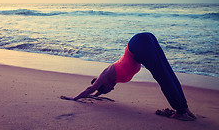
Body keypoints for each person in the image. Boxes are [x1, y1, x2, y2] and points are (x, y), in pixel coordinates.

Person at [61, 32, 196, 121]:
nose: (112, 90)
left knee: (162, 76)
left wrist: (74, 98)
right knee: (166, 72)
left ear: (104, 84)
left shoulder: (105, 75)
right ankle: (184, 108)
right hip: (145, 39)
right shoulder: (111, 80)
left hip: (138, 44)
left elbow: (90, 90)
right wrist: (95, 95)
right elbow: (95, 93)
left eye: (107, 90)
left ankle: (181, 111)